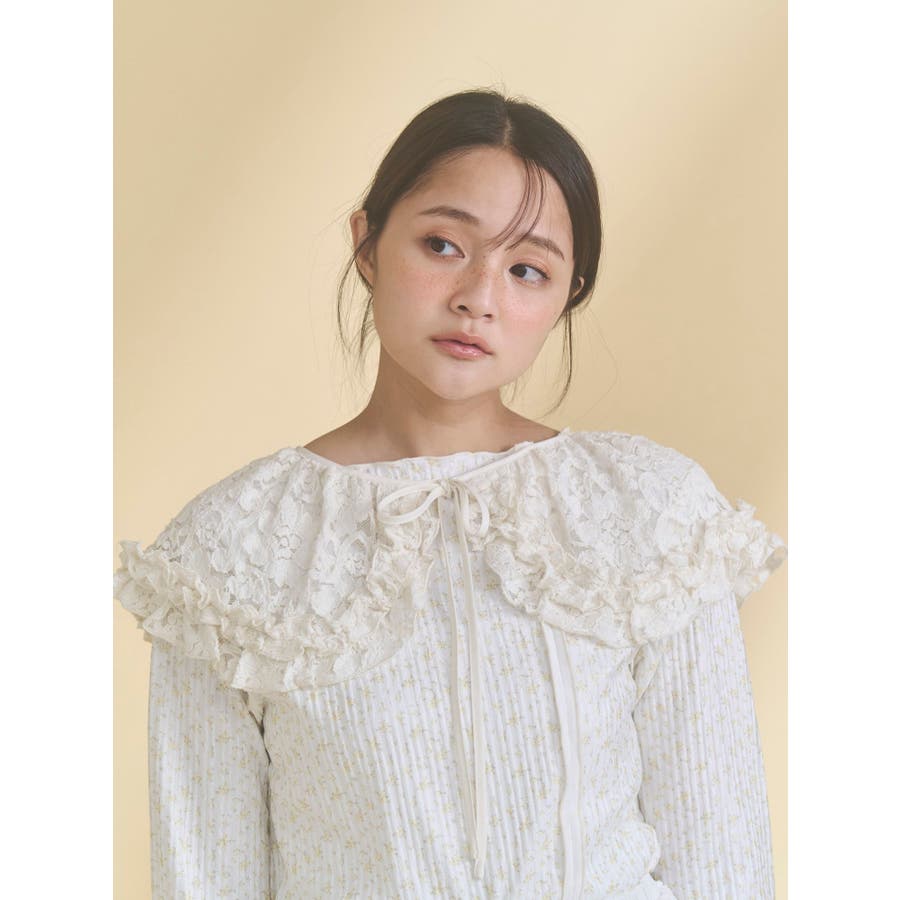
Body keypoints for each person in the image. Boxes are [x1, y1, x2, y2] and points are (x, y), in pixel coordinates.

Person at [114, 89, 787, 899]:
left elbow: (722, 853)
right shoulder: (232, 547)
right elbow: (204, 873)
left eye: (528, 270)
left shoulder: (649, 513)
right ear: (367, 245)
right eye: (442, 245)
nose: (479, 296)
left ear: (567, 295)